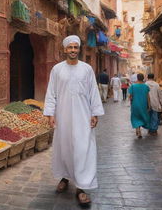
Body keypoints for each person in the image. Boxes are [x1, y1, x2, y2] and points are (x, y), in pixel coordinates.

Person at [43, 35, 104, 206]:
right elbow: (51, 93)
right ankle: (64, 176)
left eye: (76, 47)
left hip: (83, 117)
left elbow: (93, 92)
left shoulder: (86, 69)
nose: (73, 50)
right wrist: (50, 114)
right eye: (70, 47)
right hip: (63, 117)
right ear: (64, 49)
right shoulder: (57, 70)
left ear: (79, 49)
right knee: (64, 148)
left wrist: (95, 113)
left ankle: (81, 187)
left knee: (83, 149)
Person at [129, 73, 150, 138]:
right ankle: (139, 130)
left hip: (135, 104)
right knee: (142, 116)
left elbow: (130, 96)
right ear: (143, 78)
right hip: (143, 104)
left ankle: (138, 130)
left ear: (137, 78)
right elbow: (148, 97)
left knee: (135, 117)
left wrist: (131, 102)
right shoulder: (146, 86)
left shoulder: (133, 86)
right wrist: (149, 105)